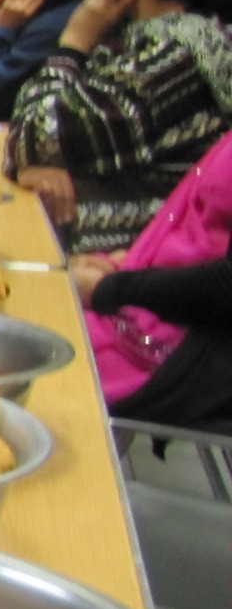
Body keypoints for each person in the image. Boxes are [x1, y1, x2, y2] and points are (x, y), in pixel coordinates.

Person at [9, 0, 232, 254]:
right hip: (110, 255)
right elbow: (28, 138)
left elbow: (33, 131)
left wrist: (73, 44)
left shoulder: (172, 58)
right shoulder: (155, 39)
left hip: (127, 271)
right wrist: (28, 164)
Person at [71, 128, 232, 424]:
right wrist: (134, 259)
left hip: (189, 354)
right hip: (155, 309)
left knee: (14, 368)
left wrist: (109, 290)